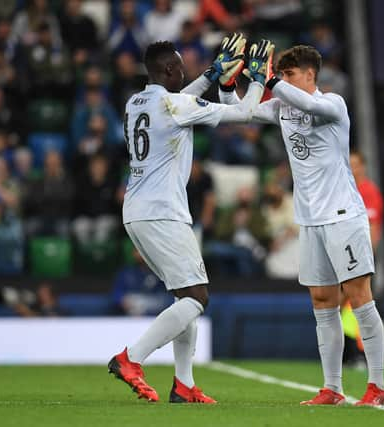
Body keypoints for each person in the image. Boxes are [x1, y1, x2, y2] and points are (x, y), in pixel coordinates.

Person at [217, 38, 384, 406]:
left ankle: (376, 386)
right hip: (309, 221)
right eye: (280, 73)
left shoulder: (332, 104)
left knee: (359, 297)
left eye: (289, 73)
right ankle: (333, 388)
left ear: (310, 74)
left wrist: (268, 80)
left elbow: (307, 103)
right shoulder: (282, 106)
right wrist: (228, 84)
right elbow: (241, 112)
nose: (282, 78)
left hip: (343, 214)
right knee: (322, 301)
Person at [107, 37, 271, 404]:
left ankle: (184, 384)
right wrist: (256, 79)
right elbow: (244, 114)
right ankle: (130, 358)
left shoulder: (135, 102)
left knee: (185, 293)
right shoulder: (176, 104)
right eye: (180, 67)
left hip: (137, 210)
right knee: (197, 297)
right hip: (163, 210)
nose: (184, 72)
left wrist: (212, 74)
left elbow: (179, 101)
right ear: (169, 70)